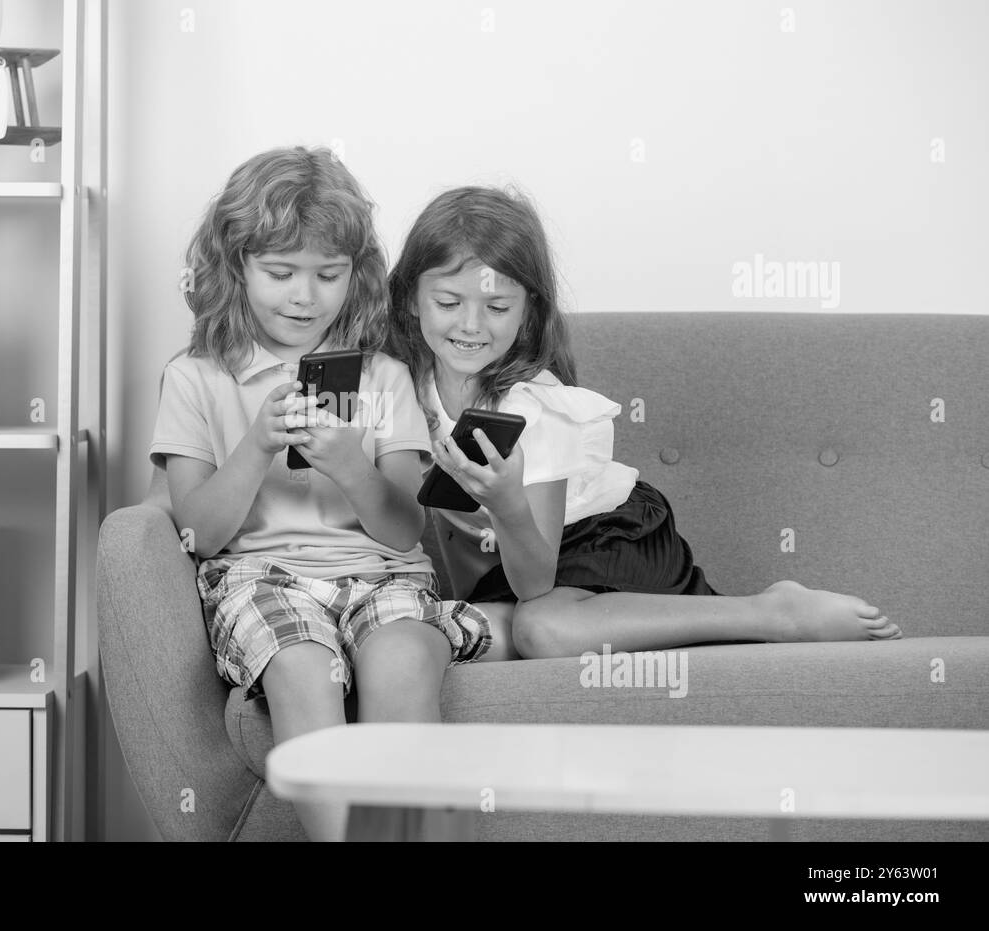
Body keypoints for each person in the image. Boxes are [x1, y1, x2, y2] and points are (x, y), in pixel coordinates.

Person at [384, 186, 903, 660]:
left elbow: (535, 583)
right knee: (461, 635)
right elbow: (453, 533)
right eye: (449, 302)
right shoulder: (407, 382)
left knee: (543, 629)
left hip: (604, 538)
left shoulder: (534, 407)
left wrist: (507, 503)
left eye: (497, 306)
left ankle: (771, 613)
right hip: (520, 566)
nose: (470, 325)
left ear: (528, 311)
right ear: (410, 297)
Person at [149, 148, 491, 841]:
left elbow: (402, 529)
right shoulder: (195, 377)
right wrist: (255, 448)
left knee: (400, 659)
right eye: (280, 273)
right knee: (303, 665)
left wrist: (350, 465)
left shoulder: (384, 376)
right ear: (234, 265)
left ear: (354, 276)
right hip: (259, 579)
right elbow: (198, 535)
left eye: (328, 275)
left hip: (381, 575)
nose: (304, 297)